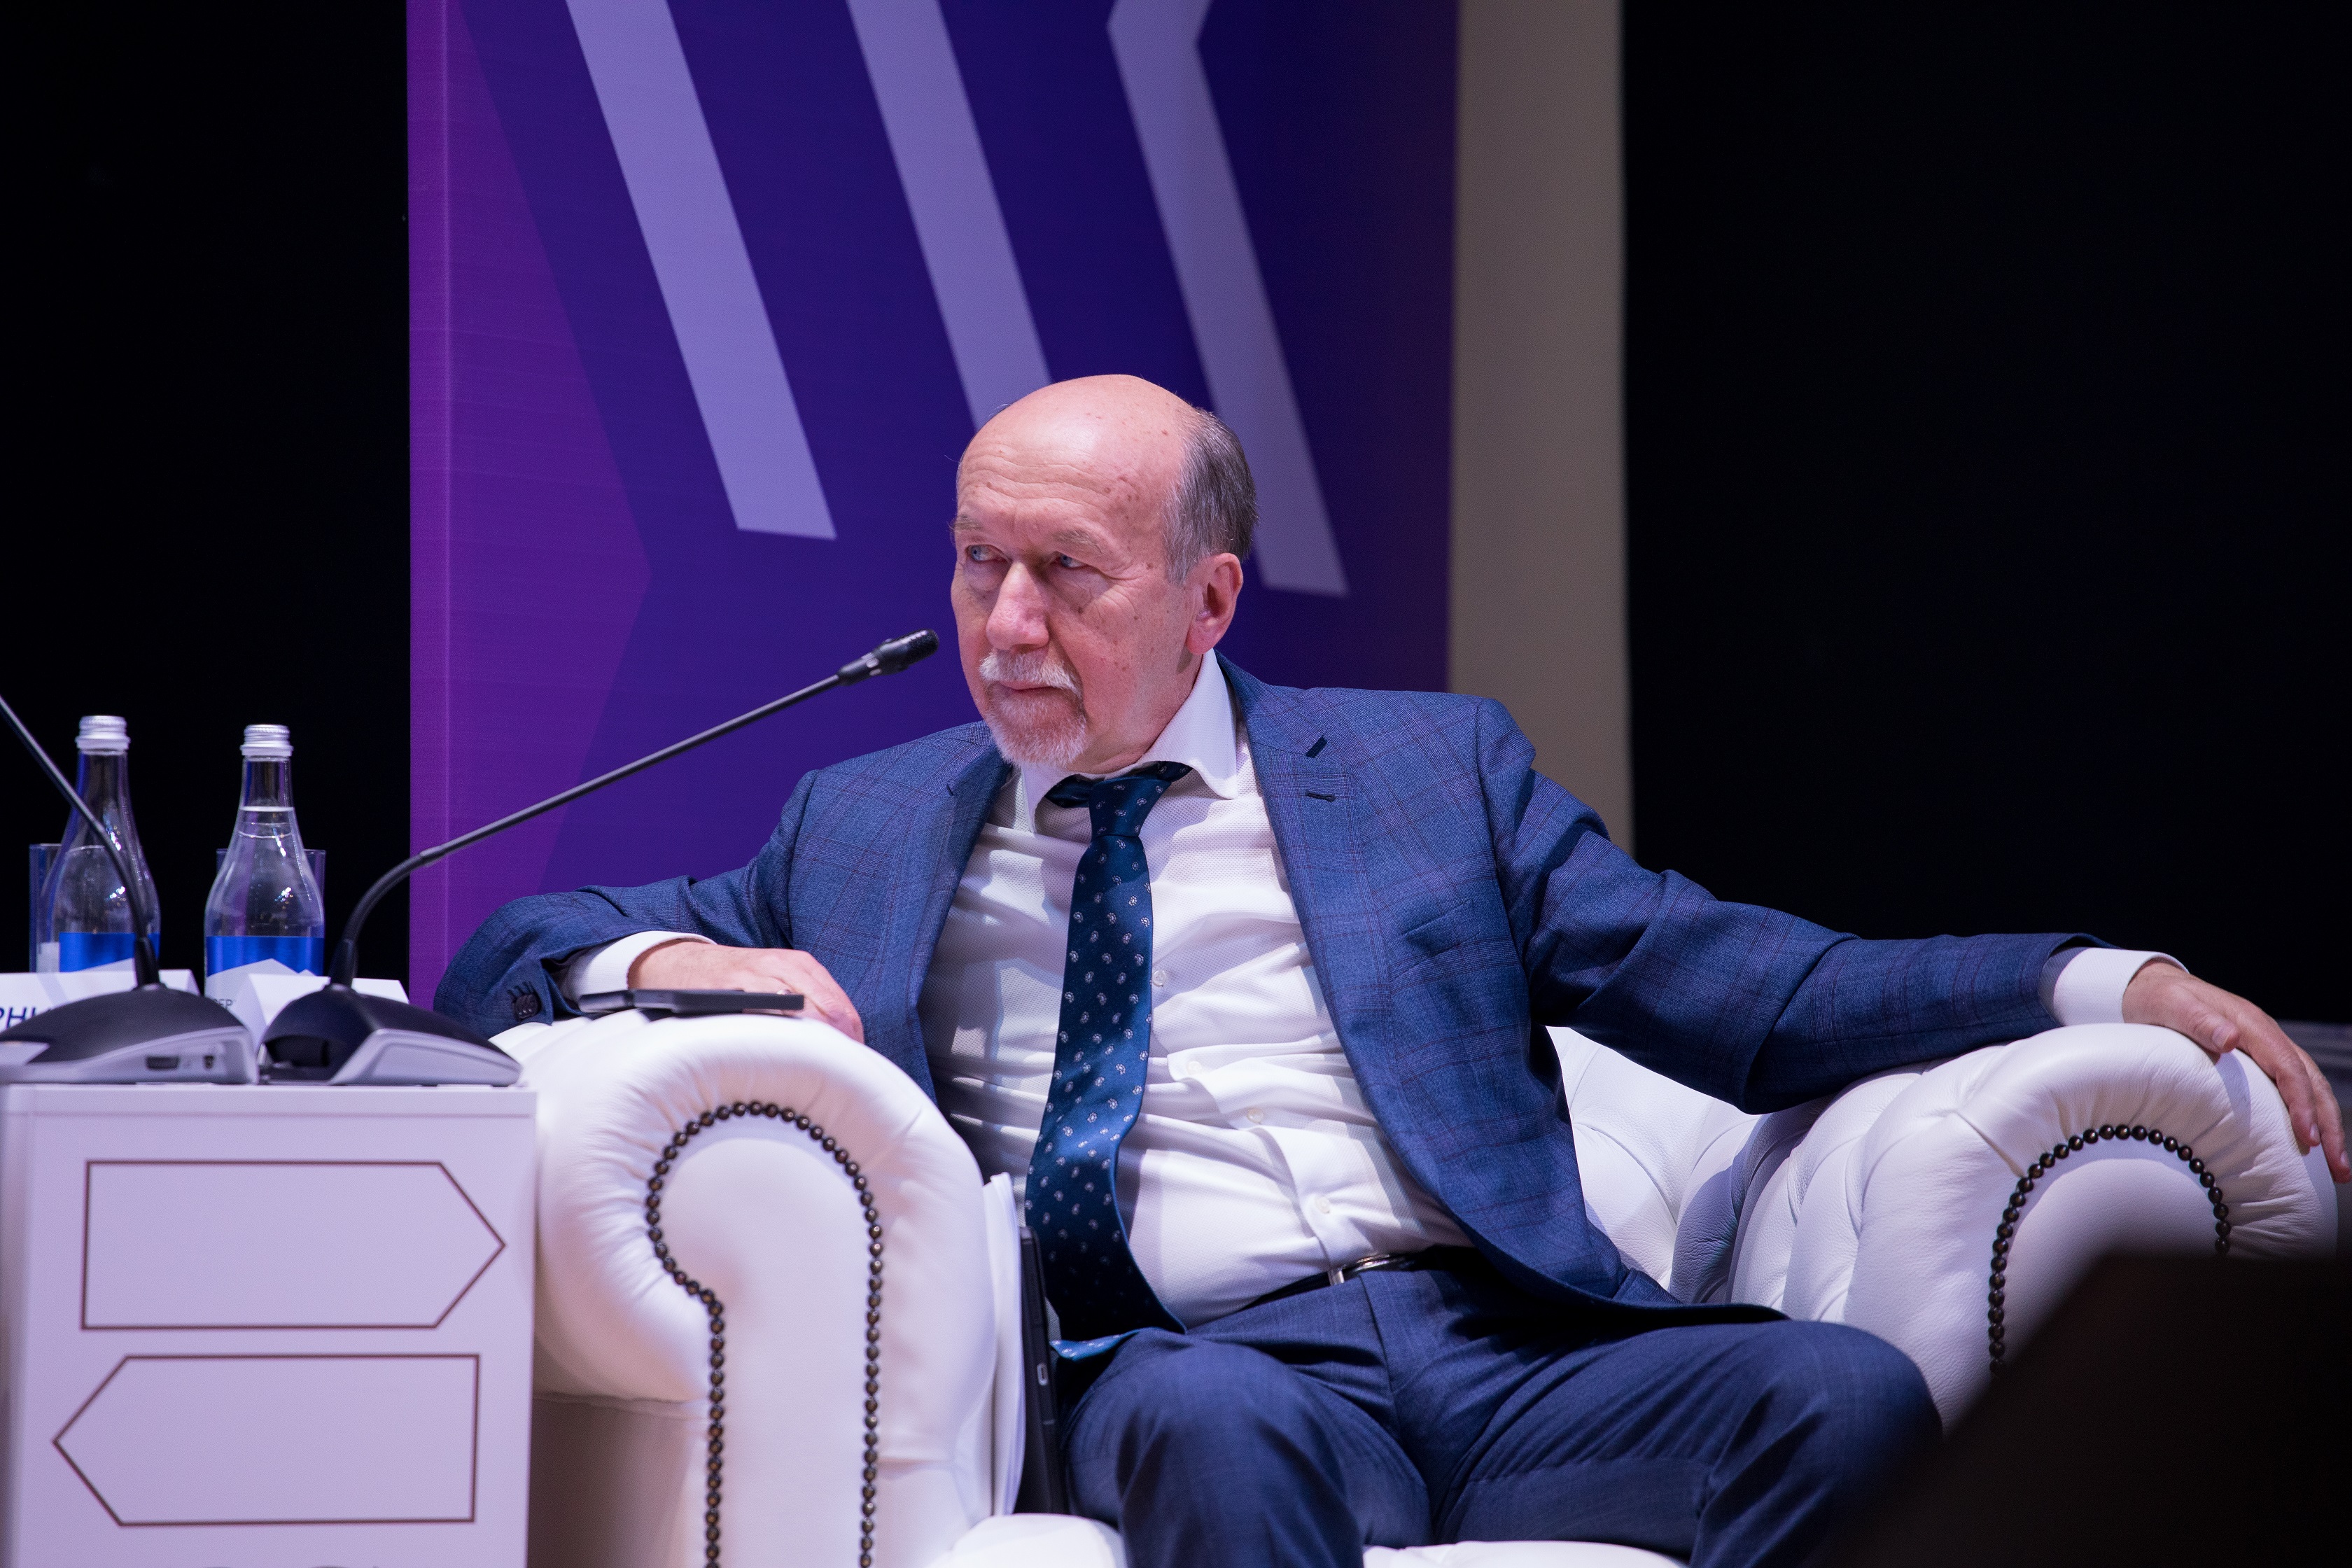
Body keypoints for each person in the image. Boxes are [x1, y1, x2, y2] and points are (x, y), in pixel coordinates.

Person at [442, 374, 2345, 1567]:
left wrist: (2101, 982)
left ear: (1208, 599)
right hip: (1199, 1364)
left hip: (1511, 1353)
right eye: (973, 566)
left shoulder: (1432, 776)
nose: (1003, 623)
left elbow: (1747, 992)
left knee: (1841, 1397)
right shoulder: (865, 821)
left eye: (1066, 573)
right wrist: (670, 952)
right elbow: (492, 949)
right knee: (1210, 1434)